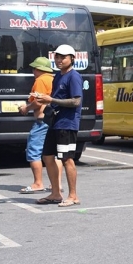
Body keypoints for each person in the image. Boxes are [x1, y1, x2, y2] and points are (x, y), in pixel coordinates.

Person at [35, 45, 82, 207]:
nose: (59, 60)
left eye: (63, 57)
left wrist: (51, 100)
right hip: (55, 123)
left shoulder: (74, 76)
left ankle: (73, 196)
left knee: (67, 159)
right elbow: (54, 98)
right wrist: (43, 101)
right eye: (57, 57)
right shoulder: (57, 76)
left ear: (72, 59)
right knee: (47, 156)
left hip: (67, 124)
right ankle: (55, 193)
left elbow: (76, 101)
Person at [18, 57, 54, 194]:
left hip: (41, 120)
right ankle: (55, 184)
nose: (33, 71)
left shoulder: (40, 80)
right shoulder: (53, 79)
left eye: (34, 68)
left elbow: (38, 101)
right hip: (51, 119)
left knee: (33, 150)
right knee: (53, 154)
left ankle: (38, 183)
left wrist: (26, 108)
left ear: (39, 69)